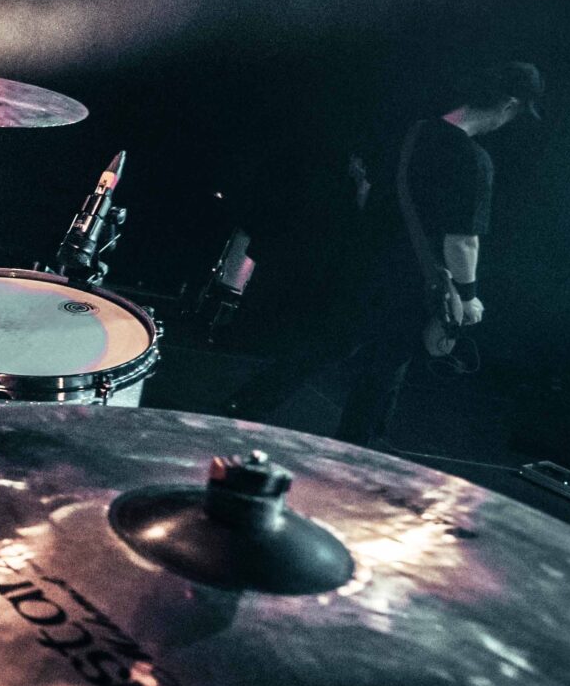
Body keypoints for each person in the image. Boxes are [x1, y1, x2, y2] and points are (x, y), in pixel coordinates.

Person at [225, 61, 541, 448]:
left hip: (361, 266)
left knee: (321, 348)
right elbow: (462, 241)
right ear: (509, 104)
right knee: (384, 371)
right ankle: (355, 450)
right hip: (408, 283)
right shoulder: (473, 161)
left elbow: (367, 195)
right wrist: (469, 296)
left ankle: (242, 406)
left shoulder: (410, 132)